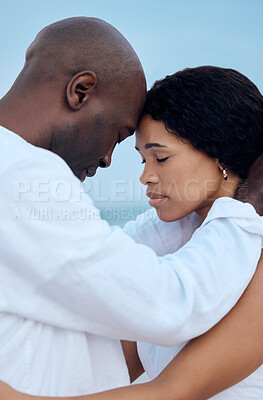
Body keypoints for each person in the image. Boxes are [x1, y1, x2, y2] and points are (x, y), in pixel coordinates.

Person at [0, 16, 262, 399]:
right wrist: (244, 208)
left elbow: (171, 387)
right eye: (140, 157)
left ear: (219, 157)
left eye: (160, 158)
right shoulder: (21, 176)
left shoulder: (243, 256)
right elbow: (156, 312)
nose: (139, 176)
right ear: (80, 90)